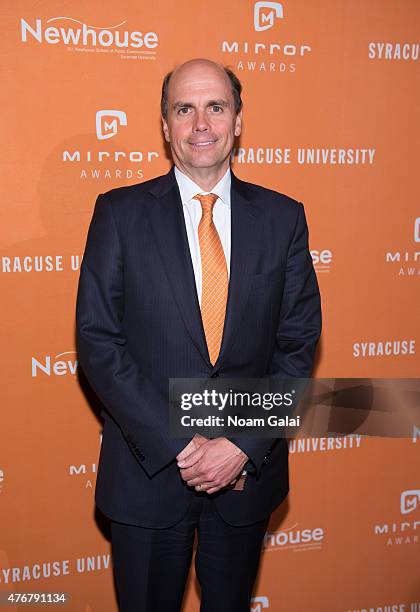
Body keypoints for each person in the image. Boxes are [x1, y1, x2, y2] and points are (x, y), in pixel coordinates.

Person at [76, 58, 322, 612]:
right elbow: (98, 341)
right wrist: (180, 445)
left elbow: (298, 343)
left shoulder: (283, 219)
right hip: (148, 473)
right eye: (184, 109)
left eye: (216, 107)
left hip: (245, 476)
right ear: (166, 126)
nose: (201, 124)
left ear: (238, 120)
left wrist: (241, 444)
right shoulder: (118, 214)